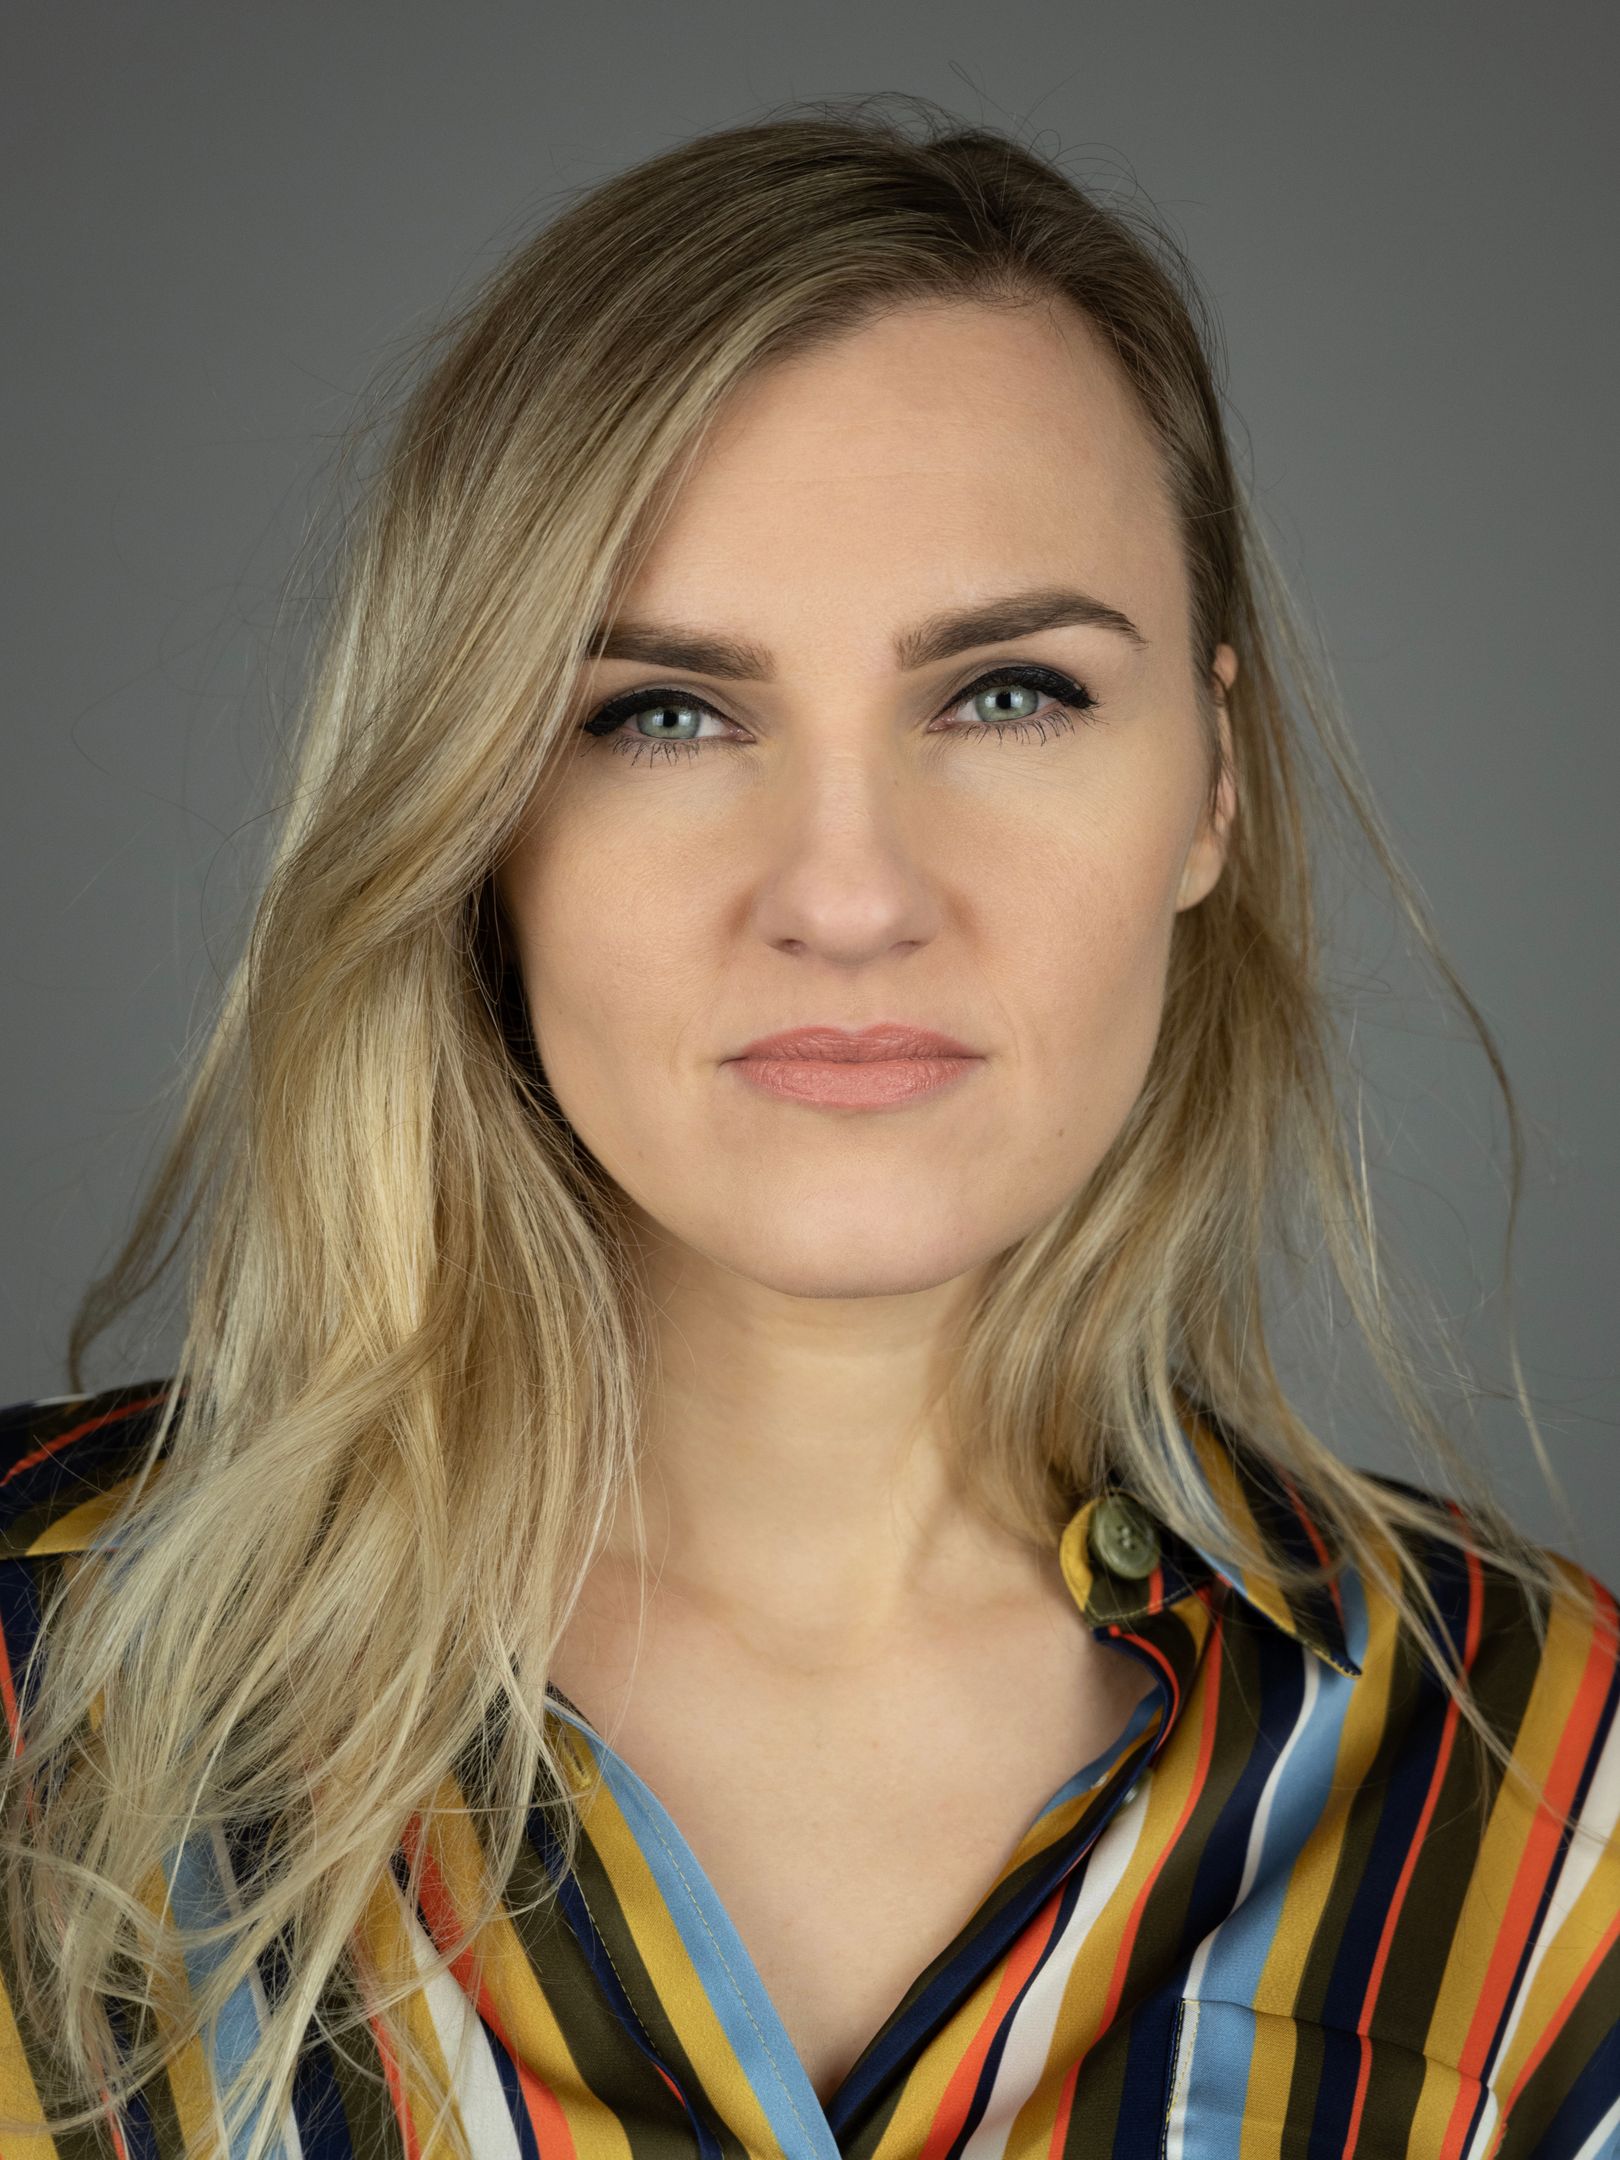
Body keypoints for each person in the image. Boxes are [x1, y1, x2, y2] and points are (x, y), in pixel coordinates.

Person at [1, 93, 1615, 2160]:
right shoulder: (41, 1689)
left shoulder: (1553, 1798)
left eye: (1010, 693)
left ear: (1215, 785)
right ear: (472, 811)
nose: (848, 897)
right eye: (661, 715)